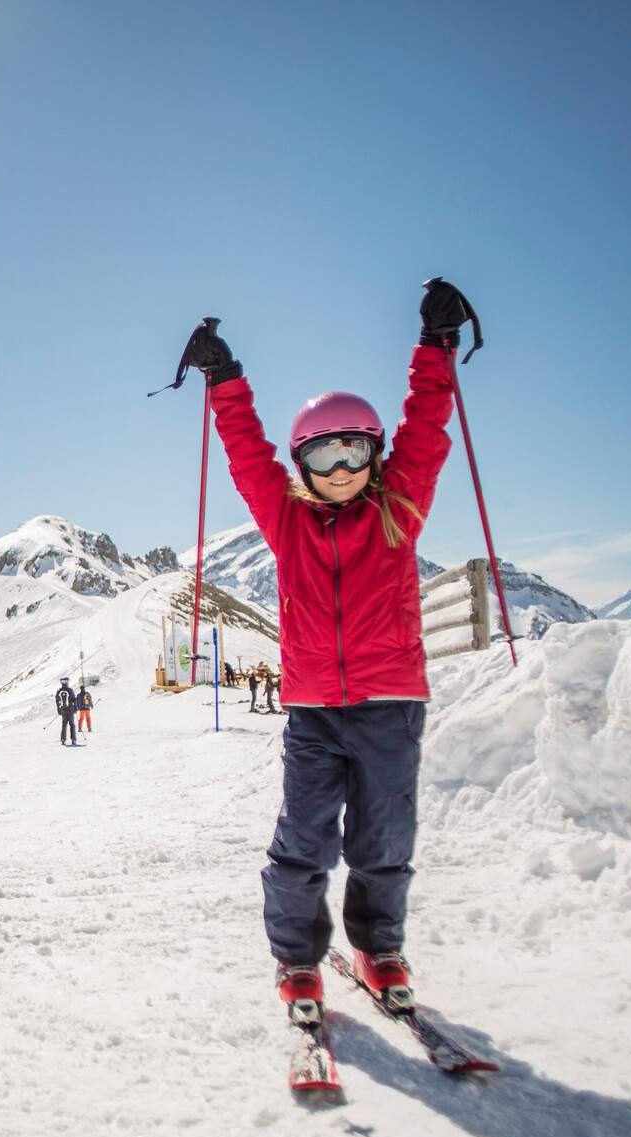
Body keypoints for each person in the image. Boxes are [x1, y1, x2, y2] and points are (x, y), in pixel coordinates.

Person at [197, 280, 467, 1026]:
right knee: (303, 843)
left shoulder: (398, 511)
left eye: (355, 449)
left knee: (385, 840)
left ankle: (381, 949)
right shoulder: (286, 523)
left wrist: (434, 349)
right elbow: (249, 458)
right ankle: (296, 959)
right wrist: (226, 382)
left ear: (375, 455)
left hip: (390, 708)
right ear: (304, 463)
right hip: (315, 713)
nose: (341, 467)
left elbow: (428, 429)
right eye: (324, 453)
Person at [55, 677, 80, 745]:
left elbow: (57, 701)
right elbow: (74, 700)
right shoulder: (70, 690)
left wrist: (59, 710)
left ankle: (63, 739)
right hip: (70, 710)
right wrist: (75, 708)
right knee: (72, 725)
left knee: (64, 725)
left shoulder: (59, 691)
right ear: (67, 682)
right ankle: (73, 739)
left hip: (63, 710)